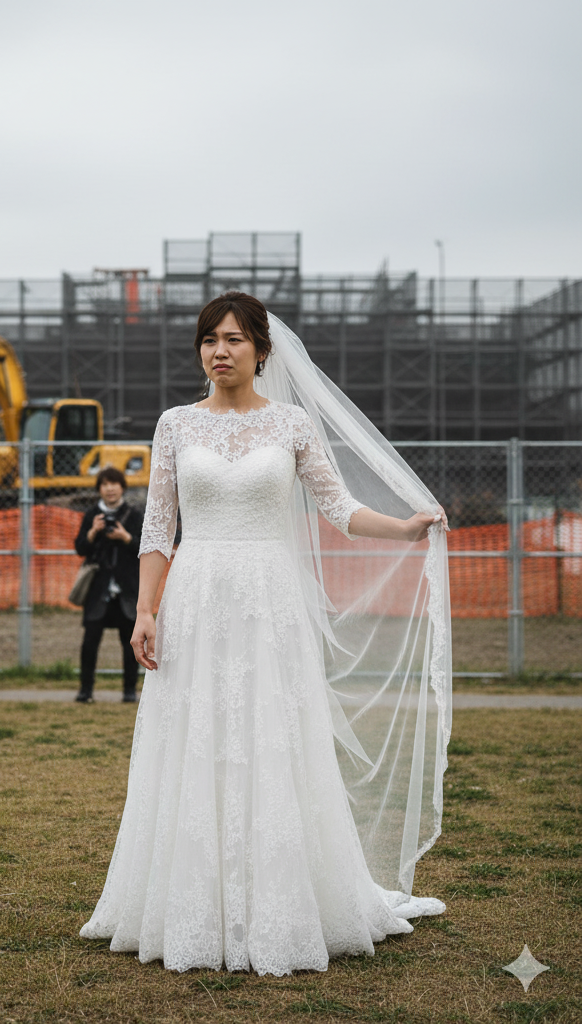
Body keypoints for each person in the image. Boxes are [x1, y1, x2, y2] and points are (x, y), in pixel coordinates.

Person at [79, 292, 453, 975]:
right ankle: (193, 903)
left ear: (261, 349)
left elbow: (338, 508)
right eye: (208, 339)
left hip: (268, 602)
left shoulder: (291, 425)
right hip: (194, 596)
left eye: (233, 339)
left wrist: (403, 526)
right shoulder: (173, 426)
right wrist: (147, 610)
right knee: (196, 737)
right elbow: (159, 528)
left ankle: (281, 902)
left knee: (270, 737)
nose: (219, 350)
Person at [73, 467, 145, 704]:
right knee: (90, 641)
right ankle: (85, 691)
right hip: (99, 590)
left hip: (126, 589)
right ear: (99, 489)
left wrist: (125, 538)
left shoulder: (133, 514)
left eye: (114, 483)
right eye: (104, 484)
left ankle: (129, 691)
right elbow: (80, 548)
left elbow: (144, 549)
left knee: (129, 642)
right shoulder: (92, 514)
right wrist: (94, 531)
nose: (110, 488)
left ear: (122, 487)